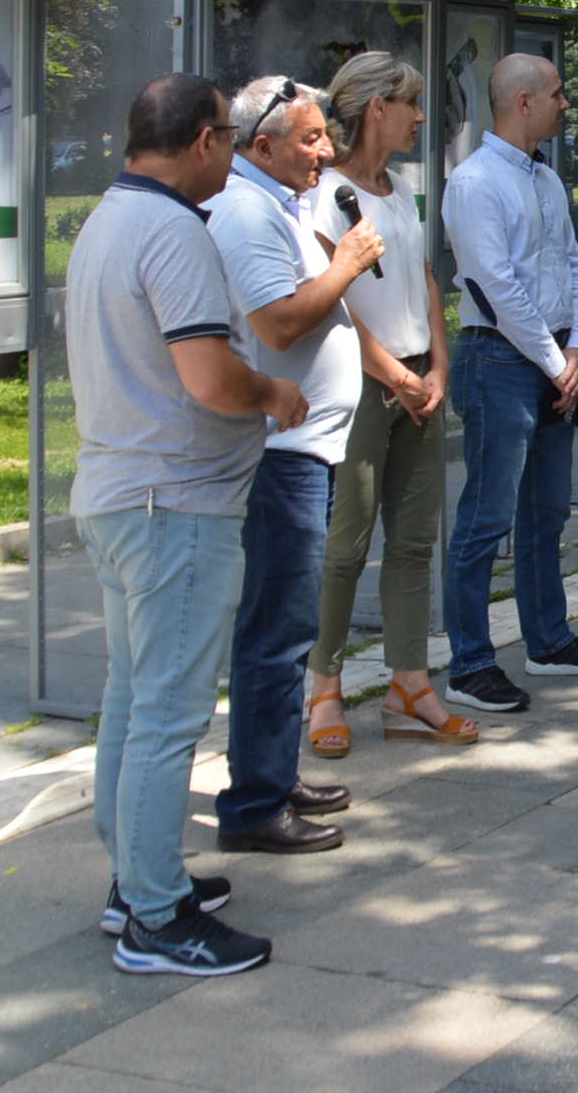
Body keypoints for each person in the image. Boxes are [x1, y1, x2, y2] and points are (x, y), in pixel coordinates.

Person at [65, 74, 303, 978]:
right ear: (206, 141)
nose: (233, 160)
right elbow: (210, 378)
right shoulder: (171, 231)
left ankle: (135, 879)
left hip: (121, 494)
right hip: (176, 507)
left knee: (133, 700)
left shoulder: (108, 219)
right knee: (167, 715)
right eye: (231, 144)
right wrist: (273, 393)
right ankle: (157, 920)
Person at [203, 77, 378, 856]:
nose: (327, 152)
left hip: (309, 450)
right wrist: (346, 266)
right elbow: (277, 324)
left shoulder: (281, 204)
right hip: (281, 456)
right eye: (311, 139)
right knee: (277, 629)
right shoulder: (245, 211)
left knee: (286, 625)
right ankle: (254, 805)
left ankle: (272, 774)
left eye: (326, 136)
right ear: (262, 145)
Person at [441, 54, 578, 715]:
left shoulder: (546, 179)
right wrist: (558, 363)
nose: (565, 104)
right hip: (498, 362)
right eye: (557, 94)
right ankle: (470, 663)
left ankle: (547, 640)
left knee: (547, 512)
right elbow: (495, 289)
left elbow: (575, 264)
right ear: (524, 101)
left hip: (553, 360)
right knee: (486, 519)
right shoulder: (474, 182)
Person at [304, 54, 473, 757]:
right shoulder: (325, 194)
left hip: (417, 380)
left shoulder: (398, 188)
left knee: (413, 541)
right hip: (362, 386)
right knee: (347, 543)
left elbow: (425, 278)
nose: (420, 117)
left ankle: (409, 685)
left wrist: (437, 364)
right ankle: (323, 687)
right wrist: (395, 375)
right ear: (377, 106)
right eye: (411, 104)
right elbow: (334, 305)